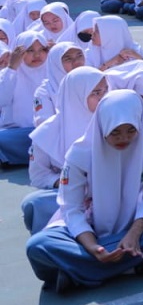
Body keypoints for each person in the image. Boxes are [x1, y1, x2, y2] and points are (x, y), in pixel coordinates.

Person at [25, 90, 143, 294]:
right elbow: (71, 208)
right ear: (102, 125)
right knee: (38, 245)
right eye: (115, 132)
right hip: (88, 225)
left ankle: (78, 273)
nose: (124, 138)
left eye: (131, 130)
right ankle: (136, 266)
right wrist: (93, 246)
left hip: (133, 220)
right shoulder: (80, 153)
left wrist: (133, 234)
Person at [22, 66, 107, 234]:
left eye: (106, 90)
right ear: (77, 95)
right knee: (34, 203)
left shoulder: (113, 122)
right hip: (68, 192)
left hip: (110, 191)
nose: (104, 97)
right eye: (96, 93)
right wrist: (72, 183)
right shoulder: (47, 133)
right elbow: (38, 176)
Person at [0, 31, 49, 166]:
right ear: (18, 53)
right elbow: (2, 99)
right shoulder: (8, 73)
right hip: (17, 133)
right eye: (30, 50)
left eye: (42, 50)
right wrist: (12, 68)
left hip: (47, 130)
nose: (37, 55)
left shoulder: (53, 70)